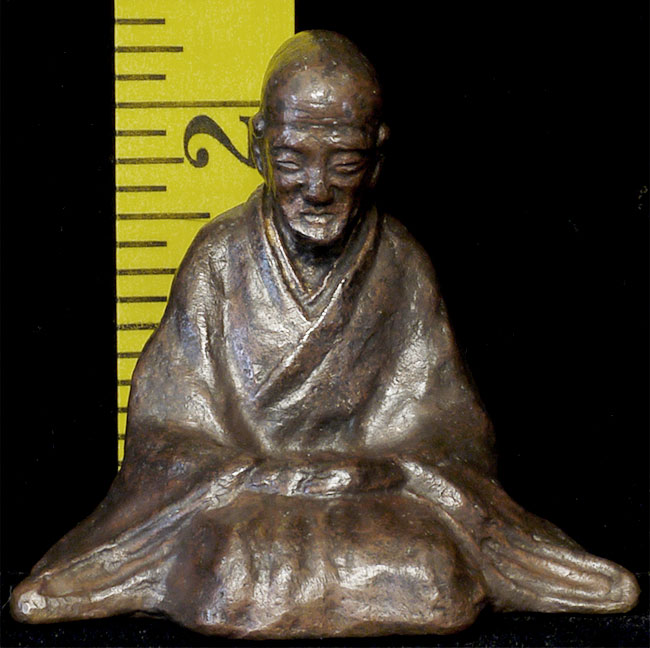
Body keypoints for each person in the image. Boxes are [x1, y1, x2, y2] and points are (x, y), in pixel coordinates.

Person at [11, 31, 639, 638]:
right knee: (232, 568)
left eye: (344, 162)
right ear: (259, 145)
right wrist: (258, 474)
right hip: (247, 507)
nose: (316, 188)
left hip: (373, 505)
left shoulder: (401, 262)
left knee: (425, 566)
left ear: (378, 156)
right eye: (292, 160)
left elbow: (450, 429)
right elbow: (164, 429)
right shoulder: (219, 259)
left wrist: (374, 469)